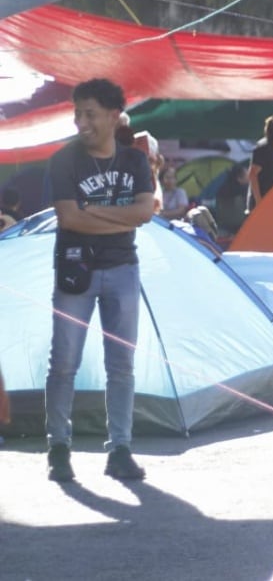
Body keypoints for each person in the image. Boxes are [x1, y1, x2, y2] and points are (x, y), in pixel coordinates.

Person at [45, 78, 155, 482]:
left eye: (89, 113)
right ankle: (58, 447)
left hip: (124, 270)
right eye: (77, 113)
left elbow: (147, 211)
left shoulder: (134, 161)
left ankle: (120, 450)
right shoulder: (64, 160)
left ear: (114, 116)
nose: (81, 122)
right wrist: (121, 215)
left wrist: (97, 212)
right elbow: (69, 218)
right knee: (64, 363)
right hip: (76, 272)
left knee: (121, 365)